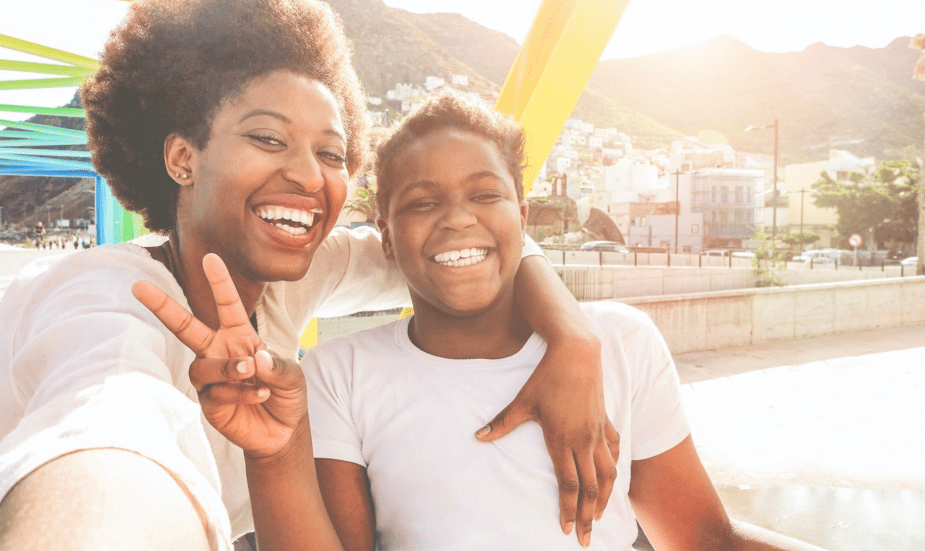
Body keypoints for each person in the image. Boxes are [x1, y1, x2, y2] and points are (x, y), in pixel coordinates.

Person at [0, 1, 616, 550]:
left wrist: (574, 341)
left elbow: (460, 243)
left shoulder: (296, 276)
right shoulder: (96, 296)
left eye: (330, 152)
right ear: (183, 157)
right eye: (268, 139)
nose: (307, 173)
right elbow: (106, 431)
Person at [297, 90, 826, 550]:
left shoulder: (624, 342)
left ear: (522, 218)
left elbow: (705, 541)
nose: (458, 217)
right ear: (385, 234)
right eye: (422, 202)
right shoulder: (337, 375)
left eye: (485, 194)